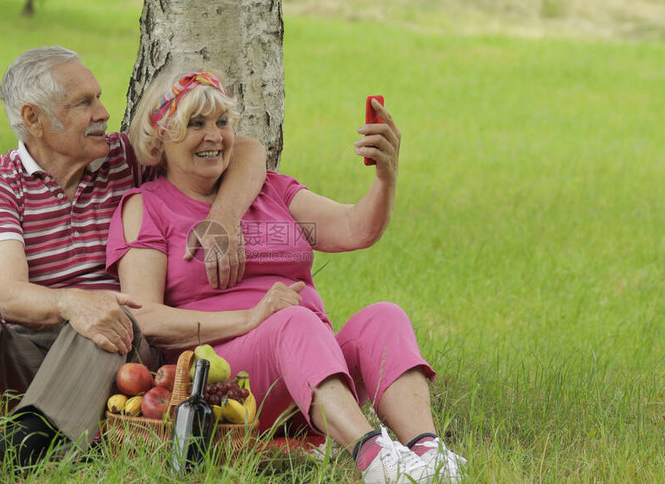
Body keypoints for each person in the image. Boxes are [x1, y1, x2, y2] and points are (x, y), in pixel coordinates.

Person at [0, 47, 266, 469]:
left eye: (98, 97)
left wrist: (223, 218)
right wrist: (71, 303)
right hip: (27, 350)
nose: (105, 112)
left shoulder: (124, 158)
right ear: (34, 118)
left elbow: (246, 150)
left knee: (111, 316)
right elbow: (8, 294)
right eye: (84, 103)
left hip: (114, 353)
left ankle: (23, 446)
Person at [104, 70, 467, 483]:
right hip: (228, 376)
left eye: (222, 123)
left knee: (384, 316)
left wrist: (386, 177)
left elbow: (355, 228)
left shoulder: (270, 190)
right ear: (160, 138)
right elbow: (146, 318)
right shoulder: (146, 208)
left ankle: (429, 455)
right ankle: (375, 458)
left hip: (313, 361)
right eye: (195, 124)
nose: (214, 136)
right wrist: (253, 317)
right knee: (292, 320)